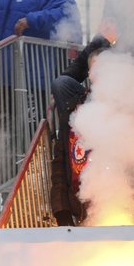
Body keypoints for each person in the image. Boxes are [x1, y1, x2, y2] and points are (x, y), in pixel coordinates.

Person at [49, 37, 111, 226]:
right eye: (93, 68)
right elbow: (60, 164)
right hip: (81, 214)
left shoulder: (125, 114)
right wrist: (62, 211)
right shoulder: (73, 113)